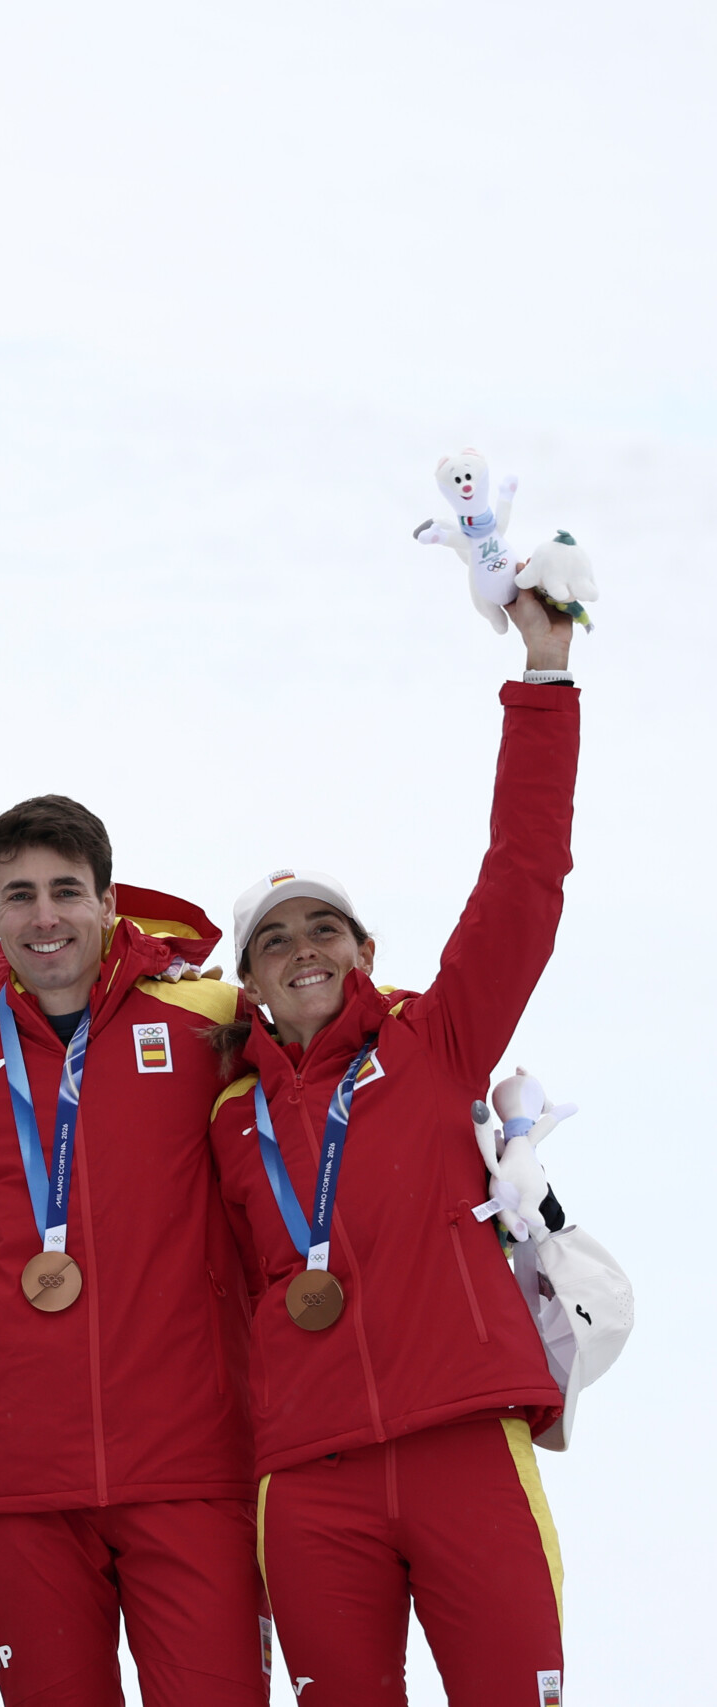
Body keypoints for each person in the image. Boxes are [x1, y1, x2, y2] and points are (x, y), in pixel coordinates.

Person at [207, 590, 579, 1704]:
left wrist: (544, 675)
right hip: (310, 1480)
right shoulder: (227, 1118)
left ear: (364, 949)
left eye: (323, 928)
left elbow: (523, 878)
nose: (300, 950)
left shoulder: (436, 1045)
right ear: (249, 982)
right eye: (271, 941)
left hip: (464, 1447)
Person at [0, 800, 265, 1706]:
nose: (44, 916)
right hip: (15, 1477)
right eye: (19, 894)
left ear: (108, 901)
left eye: (67, 890)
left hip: (191, 1463)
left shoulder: (210, 1021)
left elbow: (331, 1090)